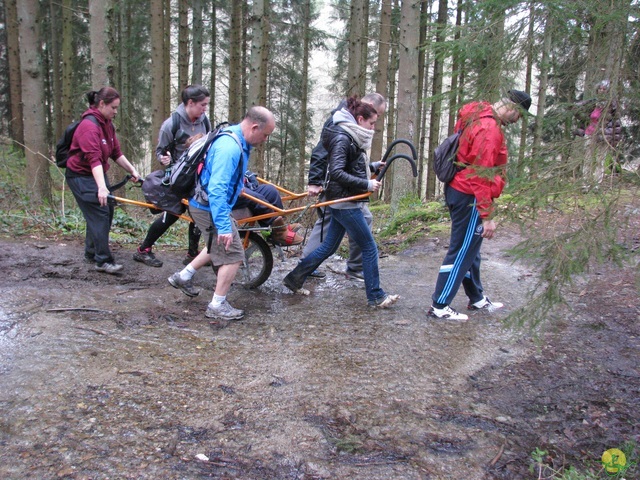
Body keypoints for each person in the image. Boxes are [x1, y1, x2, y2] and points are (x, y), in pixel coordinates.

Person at [282, 96, 399, 308]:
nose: (373, 127)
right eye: (372, 123)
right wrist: (366, 184)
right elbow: (336, 171)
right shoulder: (344, 136)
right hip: (344, 201)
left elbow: (348, 163)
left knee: (328, 246)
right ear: (360, 118)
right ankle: (376, 296)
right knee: (369, 247)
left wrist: (370, 167)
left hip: (340, 199)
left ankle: (293, 279)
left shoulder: (351, 134)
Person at [428, 90, 531, 321]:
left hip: (459, 189)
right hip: (469, 195)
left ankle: (476, 298)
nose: (517, 122)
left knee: (471, 250)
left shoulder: (476, 112)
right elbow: (481, 175)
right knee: (461, 251)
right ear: (514, 108)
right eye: (520, 116)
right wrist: (487, 216)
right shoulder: (489, 129)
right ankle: (440, 305)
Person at [170, 106, 276, 320]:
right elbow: (217, 190)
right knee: (233, 255)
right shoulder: (230, 147)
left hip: (204, 205)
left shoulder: (235, 139)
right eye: (265, 135)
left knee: (218, 245)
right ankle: (217, 305)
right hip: (209, 207)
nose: (265, 140)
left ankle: (183, 276)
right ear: (254, 127)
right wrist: (225, 226)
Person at [304, 93, 387, 280]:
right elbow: (321, 151)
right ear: (369, 106)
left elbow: (351, 157)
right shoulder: (339, 122)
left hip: (344, 185)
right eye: (377, 115)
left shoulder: (353, 121)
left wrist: (370, 166)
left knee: (337, 228)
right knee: (332, 223)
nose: (377, 121)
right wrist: (315, 181)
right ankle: (352, 268)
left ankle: (306, 268)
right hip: (335, 185)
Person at [65, 87, 141, 274]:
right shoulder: (89, 127)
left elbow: (116, 153)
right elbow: (94, 159)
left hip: (96, 173)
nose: (116, 111)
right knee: (100, 213)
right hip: (81, 176)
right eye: (113, 107)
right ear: (101, 104)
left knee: (106, 209)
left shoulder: (107, 124)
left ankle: (92, 252)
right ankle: (103, 260)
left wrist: (132, 170)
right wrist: (101, 188)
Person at [133, 85, 211, 268]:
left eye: (207, 105)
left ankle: (192, 254)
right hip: (178, 178)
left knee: (199, 212)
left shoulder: (204, 121)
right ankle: (143, 250)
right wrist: (163, 158)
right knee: (173, 214)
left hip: (197, 176)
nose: (205, 109)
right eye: (202, 105)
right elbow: (160, 151)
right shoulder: (171, 124)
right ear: (190, 103)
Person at [573, 79, 623, 180]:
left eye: (604, 89)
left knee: (600, 159)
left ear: (607, 91)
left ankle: (597, 182)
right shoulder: (592, 103)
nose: (601, 90)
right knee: (587, 158)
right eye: (600, 88)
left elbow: (616, 124)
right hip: (589, 134)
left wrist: (613, 140)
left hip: (603, 136)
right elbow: (578, 110)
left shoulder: (612, 105)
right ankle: (585, 182)